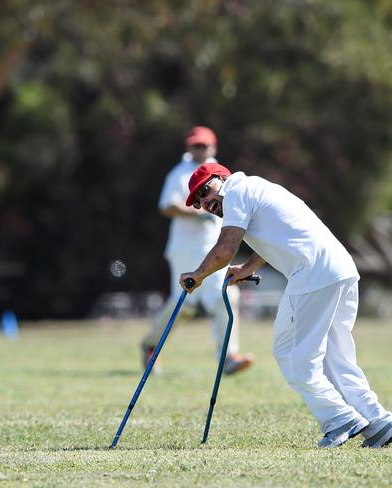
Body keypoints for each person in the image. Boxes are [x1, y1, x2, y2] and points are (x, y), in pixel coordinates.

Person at [180, 162, 392, 448]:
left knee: (292, 354)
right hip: (340, 270)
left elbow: (225, 248)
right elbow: (279, 234)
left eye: (205, 190)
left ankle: (340, 419)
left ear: (222, 178)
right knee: (336, 358)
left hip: (313, 275)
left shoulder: (236, 191)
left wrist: (197, 275)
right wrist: (248, 267)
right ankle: (378, 423)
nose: (205, 202)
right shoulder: (256, 187)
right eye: (199, 202)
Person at [141, 126, 254, 375]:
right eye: (195, 145)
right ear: (188, 147)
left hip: (213, 247)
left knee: (225, 295)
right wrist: (196, 212)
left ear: (212, 147)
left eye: (203, 145)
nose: (199, 149)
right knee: (184, 305)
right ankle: (151, 345)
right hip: (184, 249)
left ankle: (228, 356)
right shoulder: (178, 174)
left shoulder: (220, 172)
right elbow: (167, 207)